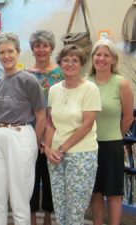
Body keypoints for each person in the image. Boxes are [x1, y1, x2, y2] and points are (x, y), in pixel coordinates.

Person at [0, 32, 46, 225]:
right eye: (2, 52)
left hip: (21, 136)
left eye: (10, 51)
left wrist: (33, 145)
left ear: (18, 52)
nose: (6, 56)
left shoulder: (29, 80)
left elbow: (40, 116)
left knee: (20, 196)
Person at [45, 44, 101, 225]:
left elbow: (86, 125)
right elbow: (50, 122)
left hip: (81, 154)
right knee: (60, 206)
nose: (70, 64)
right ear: (60, 63)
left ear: (82, 64)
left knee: (76, 208)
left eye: (75, 60)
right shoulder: (54, 90)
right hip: (55, 155)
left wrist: (61, 149)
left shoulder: (90, 89)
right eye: (66, 60)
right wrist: (48, 149)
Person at [89, 39, 134, 225]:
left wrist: (117, 138)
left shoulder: (121, 84)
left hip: (112, 145)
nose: (101, 59)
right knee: (96, 192)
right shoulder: (85, 82)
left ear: (113, 59)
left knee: (113, 193)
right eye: (98, 54)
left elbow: (128, 118)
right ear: (92, 58)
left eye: (106, 55)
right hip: (89, 145)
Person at [27, 30, 63, 225]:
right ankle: (32, 217)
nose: (41, 50)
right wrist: (35, 138)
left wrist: (47, 139)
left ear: (51, 48)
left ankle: (48, 218)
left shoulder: (61, 74)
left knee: (51, 180)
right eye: (37, 46)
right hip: (30, 135)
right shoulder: (25, 75)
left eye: (45, 46)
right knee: (30, 179)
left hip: (55, 136)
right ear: (32, 49)